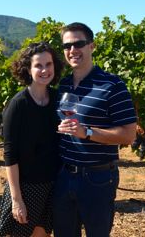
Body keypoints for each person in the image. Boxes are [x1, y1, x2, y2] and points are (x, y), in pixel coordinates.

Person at [53, 22, 137, 237]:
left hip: (97, 178)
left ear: (92, 46)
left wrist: (88, 132)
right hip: (63, 176)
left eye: (78, 44)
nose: (72, 50)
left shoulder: (112, 85)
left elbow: (129, 135)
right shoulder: (63, 85)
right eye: (67, 46)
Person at [0, 42, 64, 237]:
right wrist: (17, 199)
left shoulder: (58, 99)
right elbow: (10, 155)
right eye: (38, 65)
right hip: (26, 188)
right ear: (28, 69)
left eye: (48, 64)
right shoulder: (18, 105)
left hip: (52, 185)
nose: (44, 70)